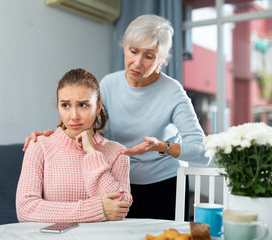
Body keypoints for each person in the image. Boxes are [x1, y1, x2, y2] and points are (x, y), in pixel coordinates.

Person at [23, 15, 210, 220]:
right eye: (133, 51)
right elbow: (83, 118)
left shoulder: (173, 92)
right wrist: (50, 137)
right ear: (124, 48)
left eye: (148, 56)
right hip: (117, 181)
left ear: (161, 60)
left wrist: (160, 146)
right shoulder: (110, 84)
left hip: (164, 186)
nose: (136, 63)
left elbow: (203, 152)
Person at [16, 69, 132, 223]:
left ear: (98, 106)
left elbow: (119, 208)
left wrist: (91, 153)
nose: (74, 116)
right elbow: (26, 209)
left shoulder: (118, 152)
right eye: (65, 105)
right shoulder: (39, 146)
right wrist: (97, 209)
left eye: (83, 105)